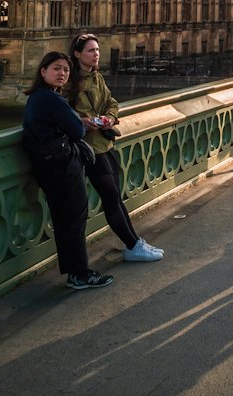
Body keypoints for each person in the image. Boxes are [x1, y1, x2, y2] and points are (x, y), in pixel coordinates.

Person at [67, 33, 163, 262]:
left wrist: (109, 117)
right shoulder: (70, 82)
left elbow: (111, 102)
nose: (96, 54)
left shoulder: (96, 77)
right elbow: (63, 112)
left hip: (105, 142)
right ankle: (132, 245)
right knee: (110, 198)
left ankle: (134, 242)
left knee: (116, 197)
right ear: (78, 54)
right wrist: (82, 121)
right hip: (89, 149)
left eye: (97, 50)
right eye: (91, 50)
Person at [22, 51, 113, 291]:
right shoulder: (51, 99)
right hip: (62, 166)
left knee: (64, 220)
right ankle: (80, 274)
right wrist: (78, 122)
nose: (62, 73)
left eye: (65, 70)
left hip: (47, 166)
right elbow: (76, 130)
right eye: (56, 68)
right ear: (43, 71)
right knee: (74, 218)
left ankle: (75, 272)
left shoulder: (37, 97)